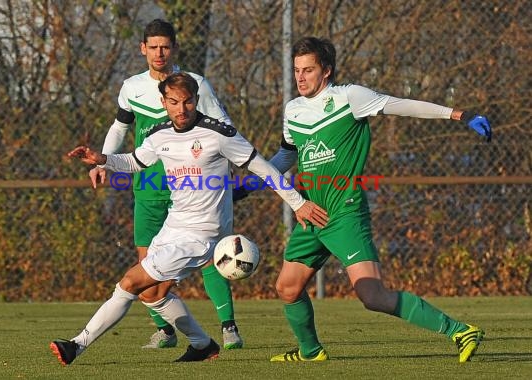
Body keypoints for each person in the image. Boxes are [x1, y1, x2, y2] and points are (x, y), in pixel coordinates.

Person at [235, 36, 490, 363]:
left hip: (344, 212)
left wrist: (460, 114)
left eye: (308, 70)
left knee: (372, 295)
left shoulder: (349, 97)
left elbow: (403, 105)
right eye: (297, 70)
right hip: (311, 212)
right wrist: (246, 187)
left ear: (326, 71)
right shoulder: (293, 110)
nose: (300, 77)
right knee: (287, 288)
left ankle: (459, 330)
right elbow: (285, 158)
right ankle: (311, 352)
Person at [50, 72, 328, 365]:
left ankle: (76, 346)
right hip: (173, 226)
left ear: (196, 100)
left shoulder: (219, 133)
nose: (181, 109)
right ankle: (202, 345)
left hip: (203, 235)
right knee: (151, 295)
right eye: (173, 102)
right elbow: (136, 161)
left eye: (187, 102)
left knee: (129, 282)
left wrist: (298, 203)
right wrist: (103, 159)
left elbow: (263, 169)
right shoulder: (159, 134)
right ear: (163, 103)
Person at [90, 19, 244, 349]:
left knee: (211, 257)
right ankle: (167, 331)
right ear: (143, 49)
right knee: (148, 265)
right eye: (154, 46)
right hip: (147, 186)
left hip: (193, 189)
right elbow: (119, 128)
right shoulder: (132, 87)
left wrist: (221, 177)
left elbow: (225, 130)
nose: (160, 53)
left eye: (166, 46)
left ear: (174, 48)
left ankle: (228, 327)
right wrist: (104, 160)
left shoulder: (193, 86)